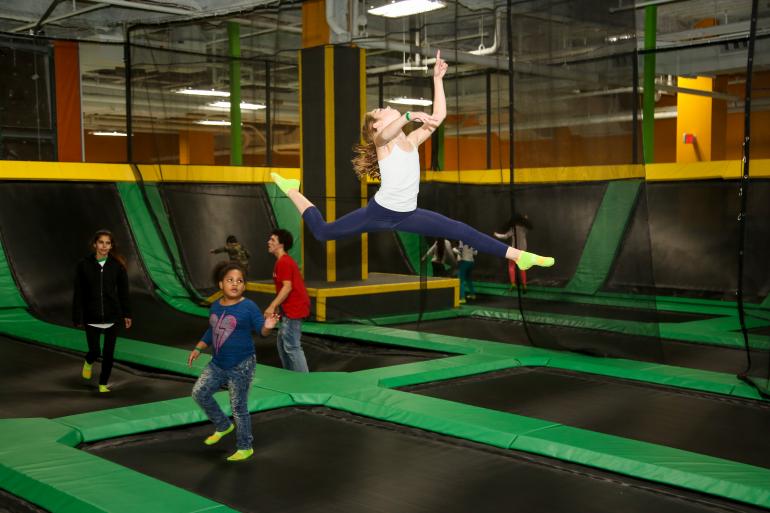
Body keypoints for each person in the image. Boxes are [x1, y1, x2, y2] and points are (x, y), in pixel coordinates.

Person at [270, 50, 554, 272]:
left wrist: (437, 81)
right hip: (379, 213)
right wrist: (407, 116)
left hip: (408, 213)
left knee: (460, 230)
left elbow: (438, 117)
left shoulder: (411, 141)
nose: (387, 107)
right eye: (382, 110)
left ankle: (520, 257)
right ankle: (292, 189)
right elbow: (385, 135)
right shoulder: (382, 145)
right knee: (322, 232)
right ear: (375, 128)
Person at [188, 262, 277, 462]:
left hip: (242, 364)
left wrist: (269, 326)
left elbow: (262, 332)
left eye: (239, 281)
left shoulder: (248, 306)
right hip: (218, 363)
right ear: (221, 284)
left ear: (244, 286)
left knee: (238, 407)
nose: (235, 284)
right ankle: (223, 425)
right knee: (199, 393)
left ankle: (245, 447)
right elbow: (212, 330)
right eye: (230, 280)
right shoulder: (216, 306)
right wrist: (198, 348)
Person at [72, 229, 132, 393]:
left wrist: (127, 313)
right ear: (95, 244)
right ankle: (89, 361)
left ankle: (102, 384)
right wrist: (77, 315)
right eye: (101, 242)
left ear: (111, 246)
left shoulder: (117, 266)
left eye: (108, 243)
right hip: (92, 315)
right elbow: (79, 292)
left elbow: (123, 292)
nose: (104, 246)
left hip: (113, 315)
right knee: (95, 351)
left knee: (108, 354)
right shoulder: (83, 265)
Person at [265, 229, 310, 373]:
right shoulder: (282, 262)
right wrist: (279, 307)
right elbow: (284, 288)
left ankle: (304, 380)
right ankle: (290, 376)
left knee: (292, 346)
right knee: (282, 343)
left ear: (281, 244)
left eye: (273, 240)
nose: (269, 242)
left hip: (294, 309)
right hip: (289, 308)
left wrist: (273, 305)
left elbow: (288, 287)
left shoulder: (284, 262)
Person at [495, 213, 533, 290]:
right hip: (523, 250)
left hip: (514, 250)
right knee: (522, 268)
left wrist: (496, 235)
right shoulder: (524, 228)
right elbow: (528, 226)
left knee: (511, 267)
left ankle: (513, 284)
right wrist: (526, 219)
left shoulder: (513, 228)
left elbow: (505, 236)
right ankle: (524, 285)